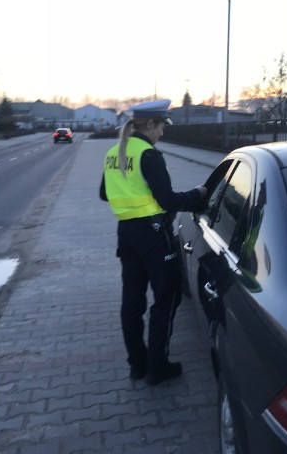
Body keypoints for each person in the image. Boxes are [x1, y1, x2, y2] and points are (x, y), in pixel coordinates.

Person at [99, 99, 207, 385]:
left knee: (132, 302)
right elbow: (168, 200)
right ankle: (158, 367)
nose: (163, 133)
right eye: (161, 126)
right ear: (149, 125)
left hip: (127, 235)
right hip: (154, 236)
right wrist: (198, 193)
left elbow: (104, 194)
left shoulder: (113, 152)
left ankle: (137, 365)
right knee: (166, 298)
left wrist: (130, 199)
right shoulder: (149, 155)